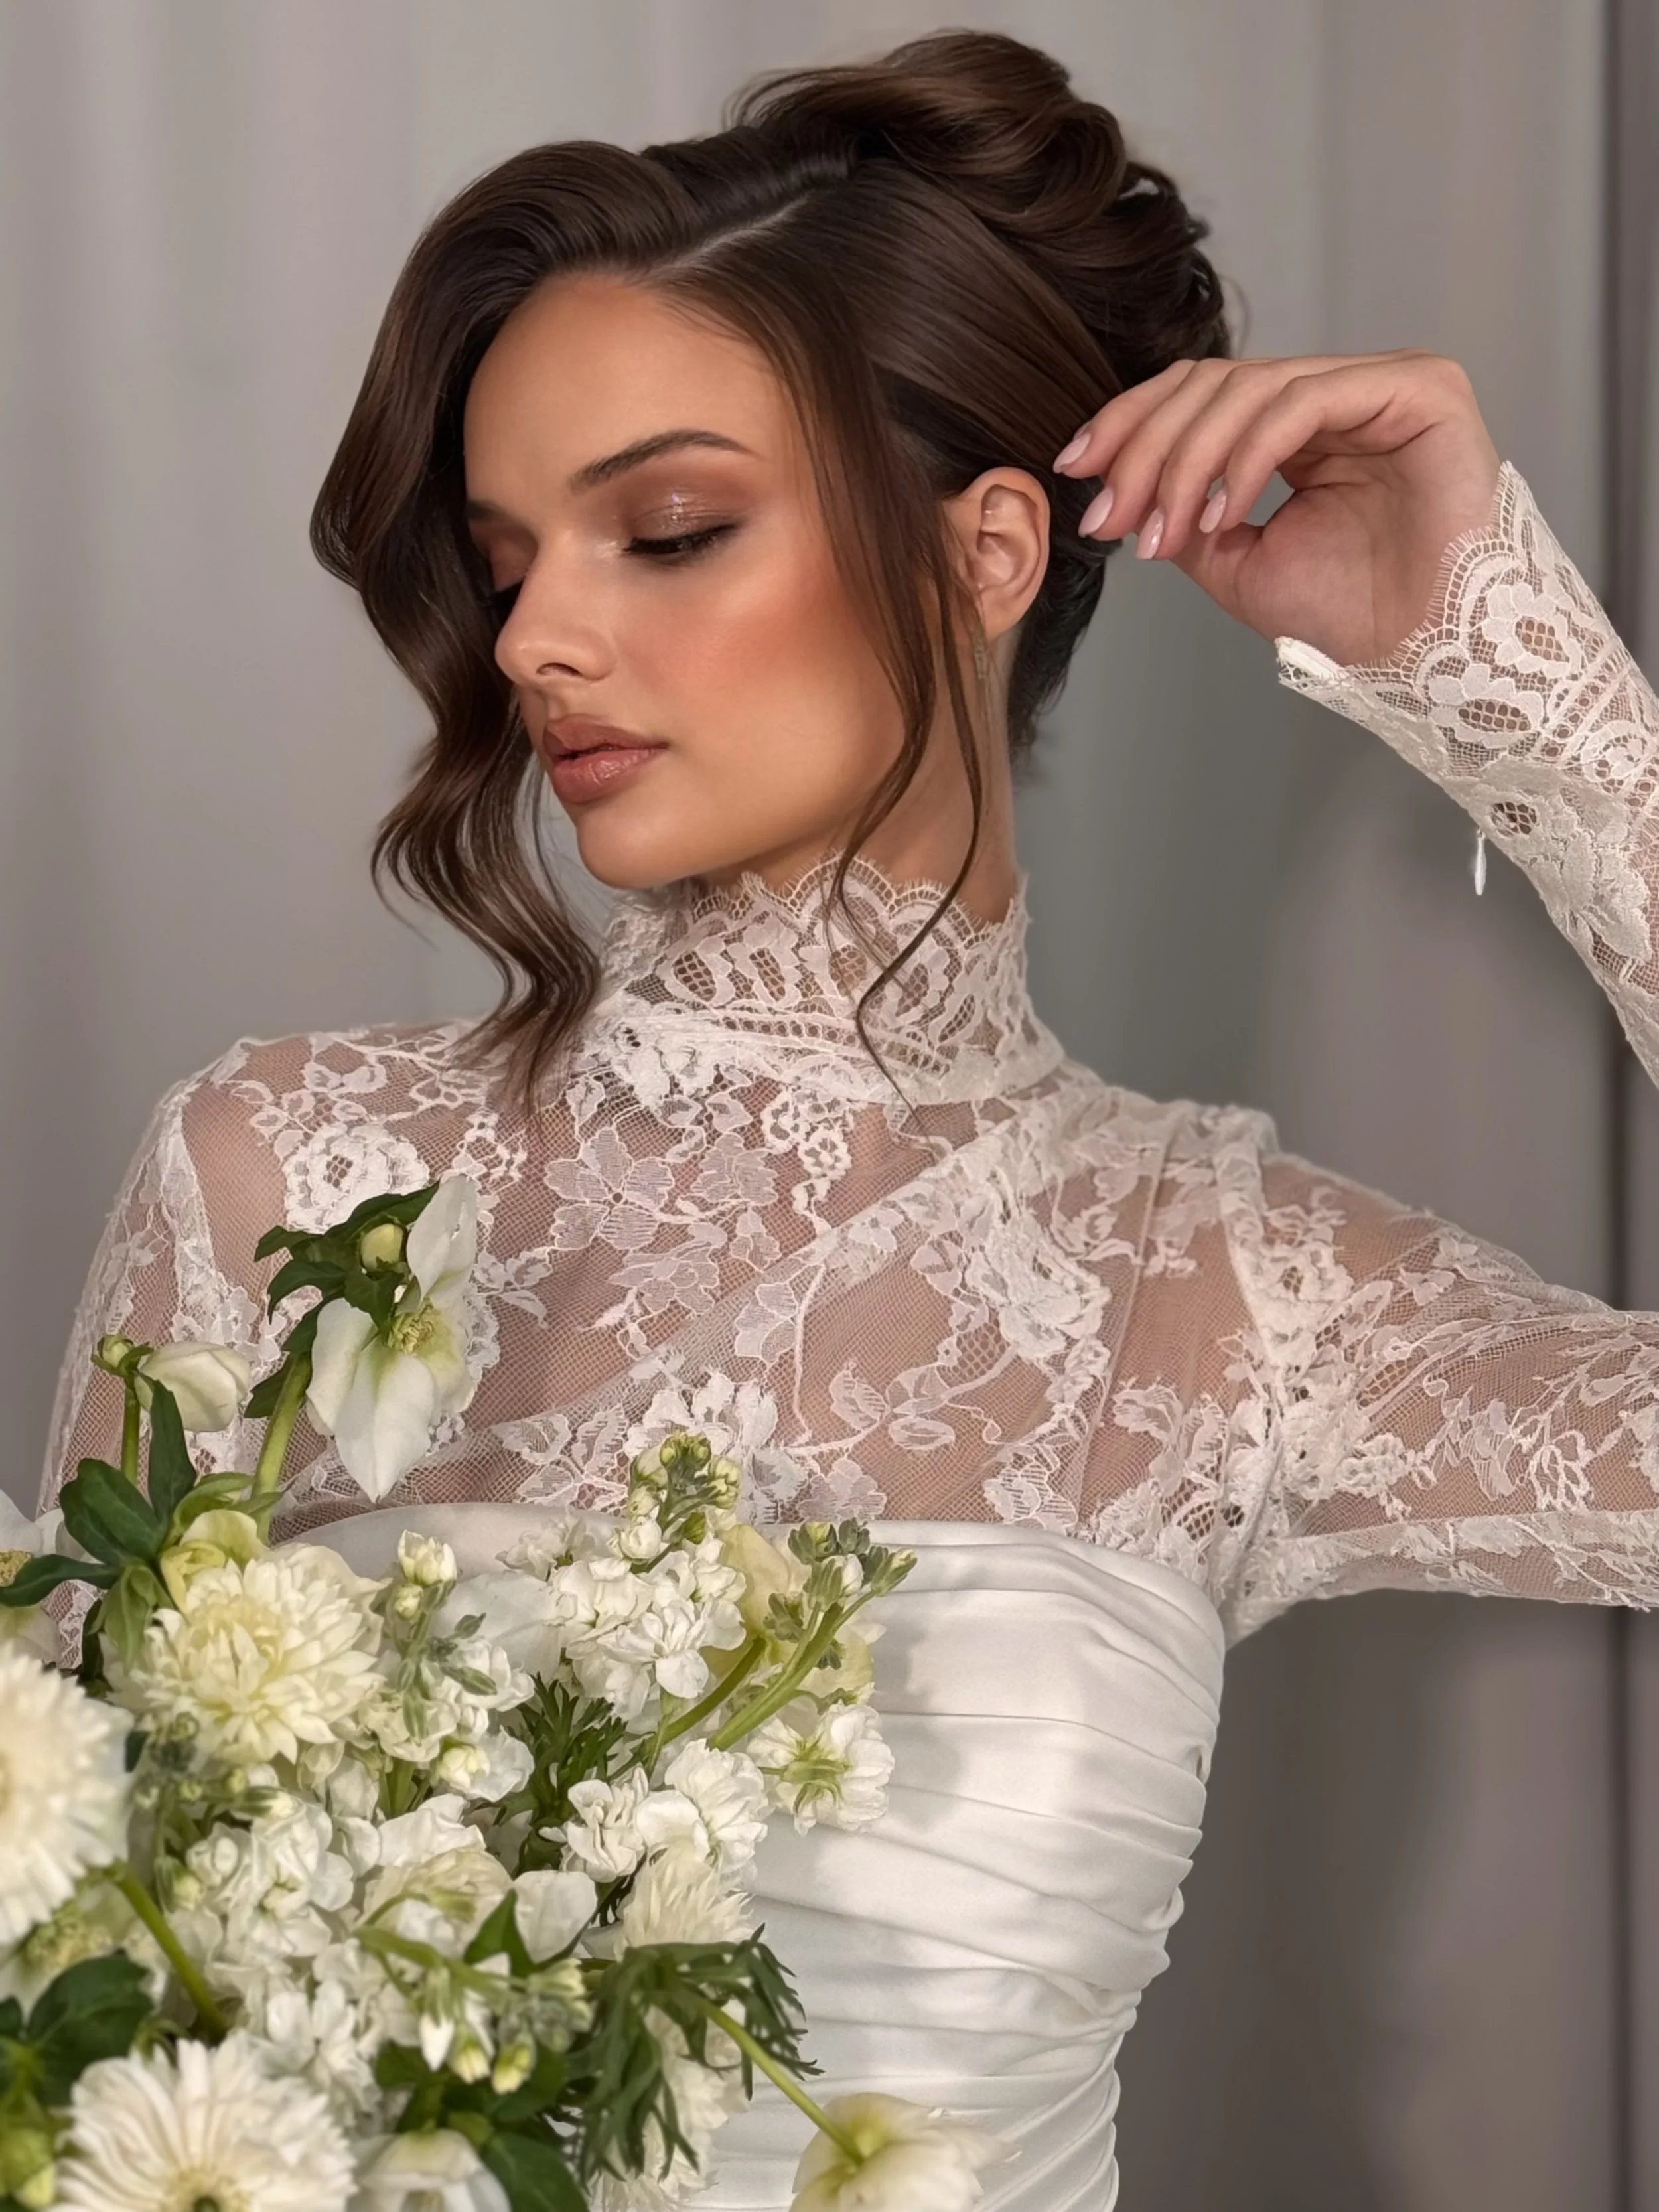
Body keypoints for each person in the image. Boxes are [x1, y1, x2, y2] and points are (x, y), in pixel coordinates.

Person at [38, 27, 1659, 2210]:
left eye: (670, 528)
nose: (533, 636)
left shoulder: (1231, 1292)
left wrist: (1501, 668)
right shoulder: (288, 1174)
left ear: (988, 551)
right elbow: (61, 1979)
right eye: (511, 556)